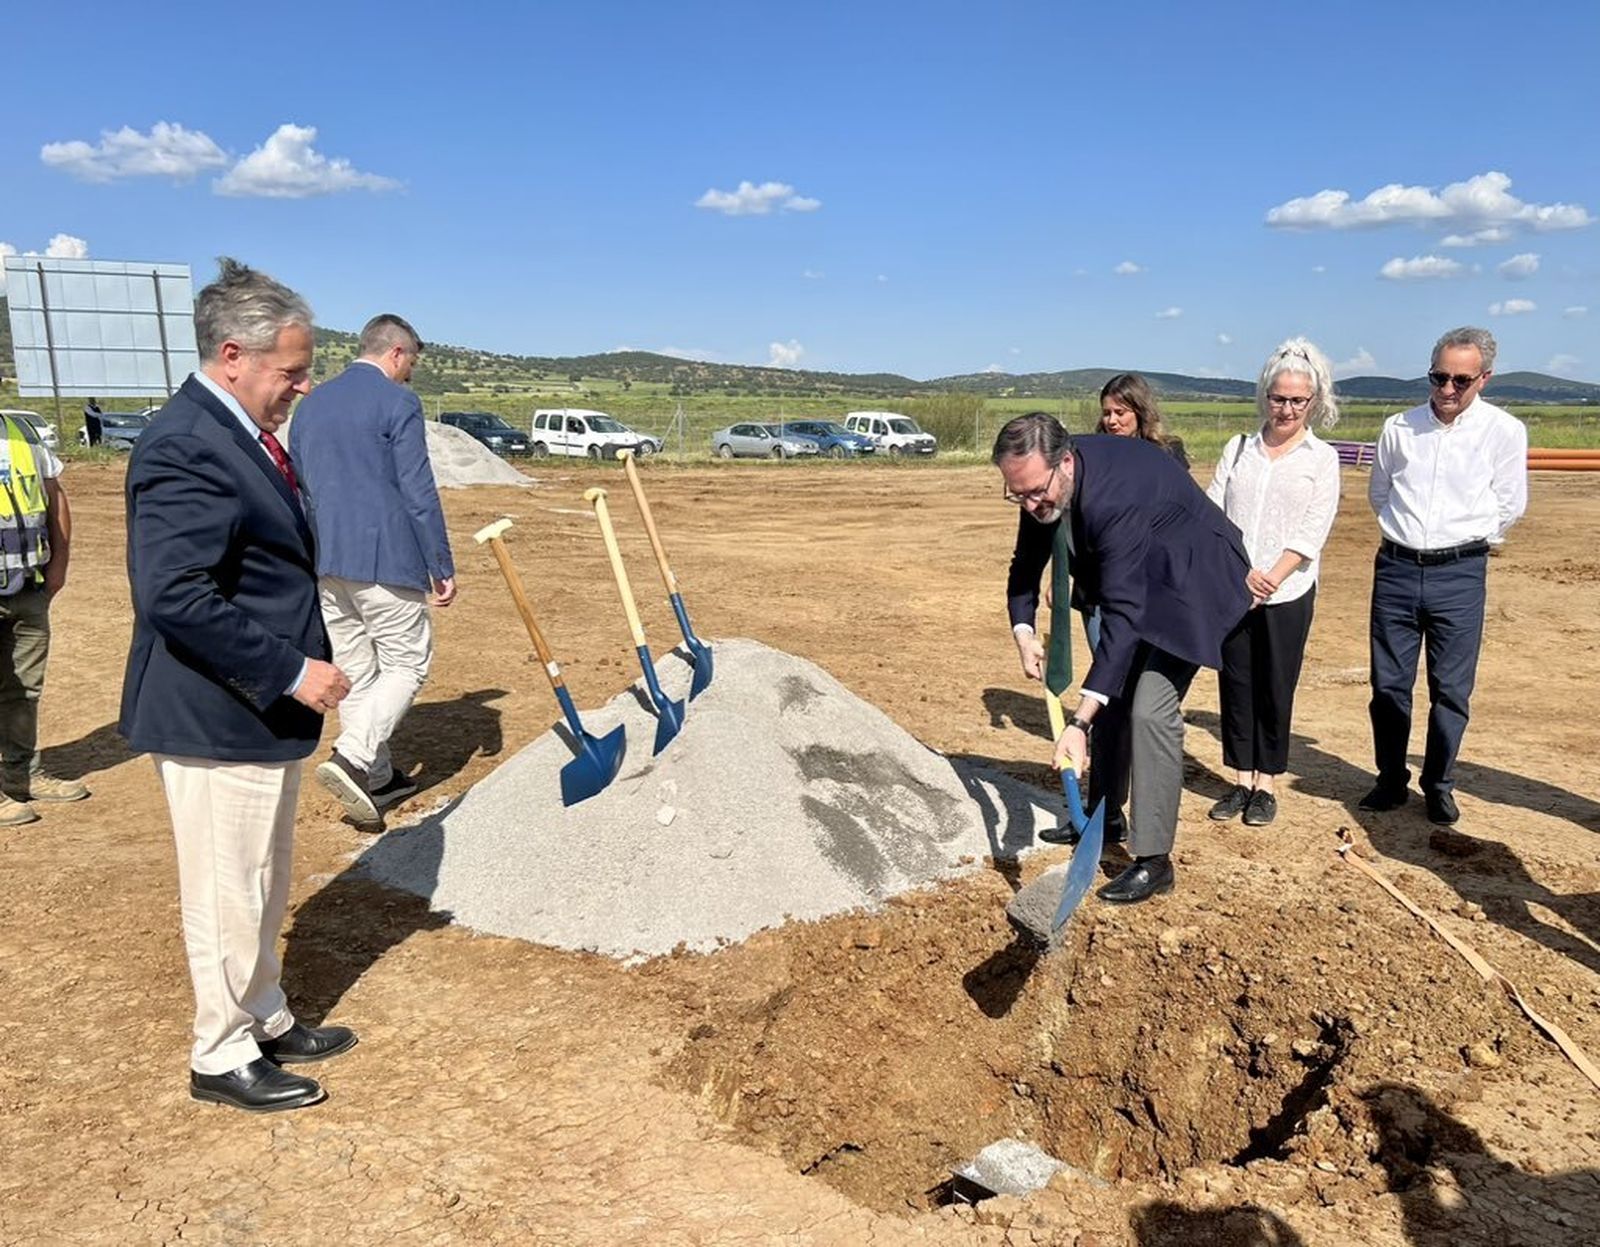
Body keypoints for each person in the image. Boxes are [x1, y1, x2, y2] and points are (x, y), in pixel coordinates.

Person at [120, 258, 357, 1113]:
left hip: (252, 713)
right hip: (213, 712)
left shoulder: (234, 433)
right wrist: (293, 668)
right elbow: (175, 594)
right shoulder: (187, 442)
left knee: (260, 874)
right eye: (291, 371)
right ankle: (219, 1053)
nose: (300, 387)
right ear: (232, 356)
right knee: (228, 884)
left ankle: (261, 1011)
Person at [1001, 413, 1252, 903]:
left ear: (1065, 462)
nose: (1031, 504)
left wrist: (1079, 721)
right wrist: (1024, 630)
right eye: (1018, 495)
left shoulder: (1114, 496)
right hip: (1142, 580)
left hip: (1192, 586)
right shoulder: (1042, 481)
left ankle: (1154, 860)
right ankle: (1103, 817)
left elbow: (1123, 615)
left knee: (1148, 709)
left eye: (1036, 492)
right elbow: (1025, 563)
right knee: (1112, 697)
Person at [289, 314, 456, 827]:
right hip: (386, 560)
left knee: (359, 673)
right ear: (398, 353)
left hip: (328, 562)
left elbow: (299, 486)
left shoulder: (311, 404)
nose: (409, 374)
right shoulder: (397, 402)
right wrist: (440, 565)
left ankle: (377, 778)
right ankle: (354, 757)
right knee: (407, 665)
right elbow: (417, 489)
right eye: (411, 364)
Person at [1360, 327, 1527, 825]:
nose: (1447, 390)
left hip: (1460, 572)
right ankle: (1390, 779)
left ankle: (1439, 783)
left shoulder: (1504, 432)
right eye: (1438, 377)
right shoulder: (1398, 428)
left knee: (1451, 689)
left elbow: (1510, 503)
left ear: (1484, 379)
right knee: (1389, 684)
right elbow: (1380, 492)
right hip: (1396, 568)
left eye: (1460, 380)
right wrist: (1411, 537)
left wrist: (1462, 539)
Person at [1204, 339, 1342, 827]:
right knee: (1235, 683)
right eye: (1279, 398)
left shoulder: (1321, 459)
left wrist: (1271, 578)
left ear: (1314, 401)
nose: (1286, 409)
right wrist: (1240, 573)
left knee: (1274, 686)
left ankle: (1266, 783)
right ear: (1265, 395)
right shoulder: (1238, 448)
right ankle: (1239, 779)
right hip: (1234, 586)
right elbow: (1213, 515)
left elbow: (1312, 529)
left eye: (1297, 401)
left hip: (1288, 591)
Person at [0, 410, 89, 826]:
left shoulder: (22, 432)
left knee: (25, 689)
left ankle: (22, 775)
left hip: (27, 585)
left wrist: (59, 566)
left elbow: (54, 497)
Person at [1096, 372, 1189, 467]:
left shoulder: (1167, 453)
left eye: (1120, 413)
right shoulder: (1095, 452)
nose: (1112, 421)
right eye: (1106, 413)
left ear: (1140, 412)